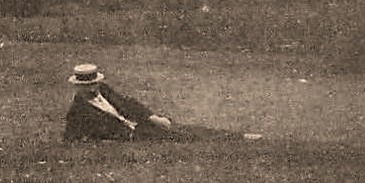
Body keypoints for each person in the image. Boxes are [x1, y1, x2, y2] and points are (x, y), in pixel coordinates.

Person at [63, 63, 260, 142]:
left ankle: (240, 136)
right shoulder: (77, 111)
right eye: (87, 86)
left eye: (94, 84)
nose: (92, 88)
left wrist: (153, 116)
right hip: (131, 136)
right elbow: (71, 139)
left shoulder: (105, 91)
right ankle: (229, 140)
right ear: (77, 87)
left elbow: (129, 104)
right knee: (182, 138)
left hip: (142, 124)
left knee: (182, 127)